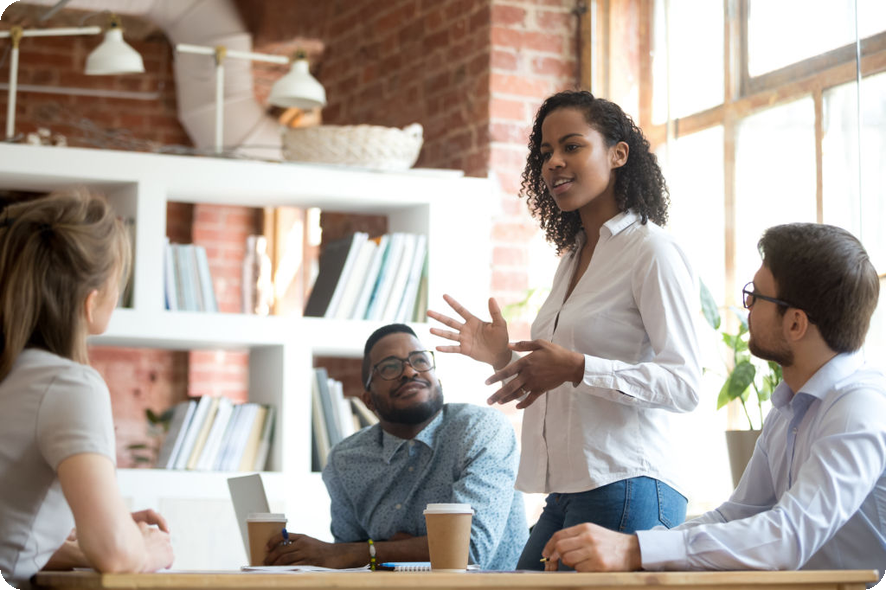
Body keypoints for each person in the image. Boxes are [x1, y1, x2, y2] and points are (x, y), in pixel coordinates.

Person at [427, 89, 702, 570]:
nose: (553, 162)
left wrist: (577, 367)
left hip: (629, 483)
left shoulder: (651, 251)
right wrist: (502, 358)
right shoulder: (573, 258)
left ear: (618, 154)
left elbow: (684, 385)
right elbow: (563, 376)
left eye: (572, 146)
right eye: (545, 152)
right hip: (569, 490)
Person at [542, 223, 885, 587]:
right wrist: (637, 547)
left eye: (756, 296)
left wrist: (634, 550)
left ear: (796, 323)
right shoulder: (790, 408)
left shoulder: (859, 408)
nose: (747, 307)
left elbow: (788, 536)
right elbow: (735, 516)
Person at [0, 191, 174, 589]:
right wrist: (146, 549)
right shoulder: (69, 385)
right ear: (91, 302)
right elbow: (115, 554)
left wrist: (96, 537)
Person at [264, 323, 527, 570]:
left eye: (420, 361)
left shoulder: (481, 429)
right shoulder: (345, 460)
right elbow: (350, 565)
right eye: (389, 367)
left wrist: (369, 551)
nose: (410, 372)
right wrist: (389, 551)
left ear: (438, 381)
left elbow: (468, 550)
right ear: (368, 400)